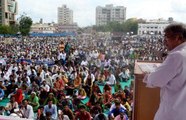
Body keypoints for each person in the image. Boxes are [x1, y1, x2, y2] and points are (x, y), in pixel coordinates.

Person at [143, 23, 186, 120]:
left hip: (172, 112)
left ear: (178, 38)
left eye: (167, 37)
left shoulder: (177, 56)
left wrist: (147, 76)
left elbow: (155, 80)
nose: (164, 41)